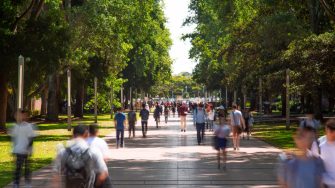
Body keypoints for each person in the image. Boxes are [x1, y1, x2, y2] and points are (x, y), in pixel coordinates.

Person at [11, 110, 37, 188]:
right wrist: (13, 149)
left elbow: (31, 138)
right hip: (18, 150)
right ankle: (16, 184)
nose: (21, 117)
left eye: (23, 115)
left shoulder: (28, 126)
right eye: (19, 115)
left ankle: (27, 183)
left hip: (26, 151)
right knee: (18, 168)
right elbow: (14, 139)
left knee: (27, 168)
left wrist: (29, 148)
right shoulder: (16, 126)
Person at [320, 119, 335, 187]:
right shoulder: (319, 145)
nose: (333, 134)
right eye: (331, 131)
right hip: (326, 184)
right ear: (326, 130)